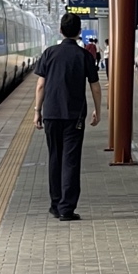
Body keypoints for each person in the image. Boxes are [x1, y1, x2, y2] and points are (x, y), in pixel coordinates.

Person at [33, 13, 102, 221]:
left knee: (55, 158)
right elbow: (95, 87)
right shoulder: (84, 56)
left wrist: (37, 110)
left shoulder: (49, 53)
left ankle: (55, 205)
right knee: (70, 160)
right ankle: (66, 208)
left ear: (61, 31)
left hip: (51, 115)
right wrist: (98, 110)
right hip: (75, 117)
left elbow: (41, 85)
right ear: (79, 31)